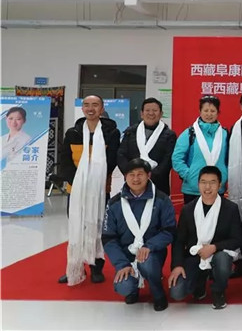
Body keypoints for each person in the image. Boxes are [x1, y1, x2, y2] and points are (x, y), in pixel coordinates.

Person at [58, 95, 121, 285]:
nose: (90, 108)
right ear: (83, 109)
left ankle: (96, 268)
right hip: (76, 189)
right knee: (77, 226)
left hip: (100, 189)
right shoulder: (73, 133)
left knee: (98, 227)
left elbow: (112, 160)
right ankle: (76, 267)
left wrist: (94, 179)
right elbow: (65, 160)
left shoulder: (111, 133)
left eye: (95, 105)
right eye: (86, 105)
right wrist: (77, 180)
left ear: (102, 109)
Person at [102, 158, 176, 311]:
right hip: (126, 255)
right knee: (123, 286)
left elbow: (169, 231)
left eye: (140, 174)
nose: (136, 179)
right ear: (125, 177)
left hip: (152, 253)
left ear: (148, 175)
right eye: (131, 174)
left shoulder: (161, 199)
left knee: (146, 263)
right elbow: (108, 238)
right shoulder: (114, 203)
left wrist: (150, 246)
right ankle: (132, 290)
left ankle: (157, 292)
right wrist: (121, 264)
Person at [168, 166, 242, 310]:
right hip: (195, 255)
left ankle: (218, 291)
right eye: (203, 182)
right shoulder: (188, 209)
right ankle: (200, 281)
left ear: (220, 185)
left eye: (212, 182)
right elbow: (179, 241)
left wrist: (214, 247)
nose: (207, 187)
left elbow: (236, 239)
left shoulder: (230, 208)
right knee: (177, 292)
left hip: (219, 253)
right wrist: (177, 265)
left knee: (222, 260)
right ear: (198, 184)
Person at [172, 95, 228, 204]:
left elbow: (231, 159)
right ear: (200, 111)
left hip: (218, 188)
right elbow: (177, 158)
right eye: (206, 110)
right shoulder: (190, 133)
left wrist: (225, 175)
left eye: (212, 111)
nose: (209, 114)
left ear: (218, 112)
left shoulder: (225, 134)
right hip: (193, 190)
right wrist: (189, 175)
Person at [117, 98, 177, 195]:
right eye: (147, 110)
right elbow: (121, 154)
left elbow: (168, 159)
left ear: (161, 114)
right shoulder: (130, 132)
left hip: (159, 184)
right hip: (133, 182)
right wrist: (130, 173)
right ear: (142, 113)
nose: (151, 113)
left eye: (155, 110)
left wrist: (149, 176)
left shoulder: (169, 135)